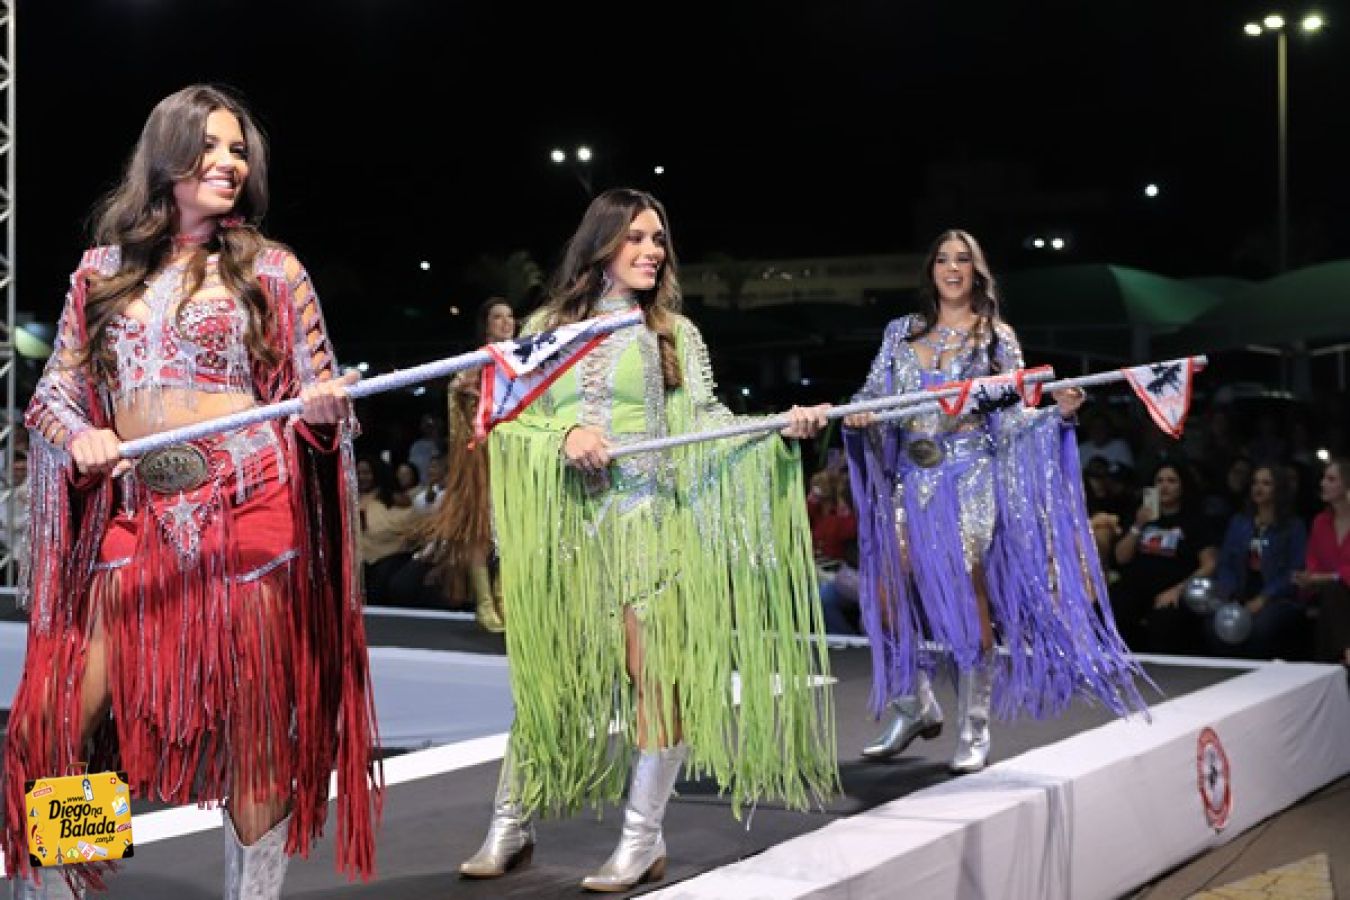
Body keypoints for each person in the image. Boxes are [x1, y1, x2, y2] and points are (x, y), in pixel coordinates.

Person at [3, 85, 381, 899]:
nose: (229, 163)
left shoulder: (274, 270)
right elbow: (54, 394)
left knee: (257, 733)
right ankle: (64, 887)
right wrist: (82, 435)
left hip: (251, 511)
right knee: (61, 716)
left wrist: (323, 412)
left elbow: (319, 396)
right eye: (210, 146)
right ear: (166, 156)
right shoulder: (100, 272)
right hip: (136, 518)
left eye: (239, 150)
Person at [458, 188, 836, 891]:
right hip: (568, 534)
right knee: (550, 682)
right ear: (600, 243)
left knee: (656, 677)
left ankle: (641, 839)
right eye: (636, 236)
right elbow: (507, 424)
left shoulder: (673, 333)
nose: (652, 250)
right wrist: (564, 434)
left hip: (651, 528)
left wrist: (777, 429)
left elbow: (707, 422)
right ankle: (510, 825)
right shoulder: (544, 328)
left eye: (658, 238)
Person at [843, 229, 1145, 774]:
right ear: (931, 270)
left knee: (967, 599)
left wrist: (1058, 412)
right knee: (885, 597)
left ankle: (974, 725)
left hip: (969, 478)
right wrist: (861, 412)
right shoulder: (900, 332)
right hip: (910, 479)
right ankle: (915, 704)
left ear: (977, 271)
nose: (952, 268)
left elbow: (1012, 416)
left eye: (963, 259)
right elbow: (872, 393)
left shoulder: (995, 338)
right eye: (943, 259)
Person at [419, 296, 517, 632]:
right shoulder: (477, 361)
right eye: (498, 317)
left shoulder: (521, 360)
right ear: (486, 325)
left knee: (510, 529)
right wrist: (466, 396)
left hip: (512, 456)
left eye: (510, 316)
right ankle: (485, 602)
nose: (506, 322)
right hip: (480, 460)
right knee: (480, 530)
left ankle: (505, 597)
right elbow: (456, 395)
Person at [1113, 461, 1219, 654]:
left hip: (1173, 588)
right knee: (1113, 608)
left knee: (1164, 621)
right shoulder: (1141, 517)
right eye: (1159, 481)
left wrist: (1178, 590)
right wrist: (1138, 525)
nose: (1164, 486)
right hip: (1137, 586)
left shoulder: (1195, 520)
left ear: (1182, 486)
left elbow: (1210, 564)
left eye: (1171, 481)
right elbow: (1121, 558)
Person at [1210, 465, 1307, 658]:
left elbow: (1294, 569)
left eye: (1266, 483)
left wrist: (1264, 598)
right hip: (1239, 593)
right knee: (1215, 624)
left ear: (1279, 488)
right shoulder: (1239, 522)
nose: (1258, 488)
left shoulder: (1293, 526)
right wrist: (1230, 592)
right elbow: (1226, 563)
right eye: (1255, 482)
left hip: (1277, 597)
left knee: (1260, 628)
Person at [1295, 457, 1350, 668]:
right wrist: (1308, 577)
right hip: (1328, 594)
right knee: (1331, 594)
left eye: (1331, 479)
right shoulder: (1320, 521)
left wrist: (1330, 577)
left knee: (1333, 592)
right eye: (1323, 478)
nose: (1322, 483)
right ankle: (1344, 654)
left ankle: (1330, 665)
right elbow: (1313, 560)